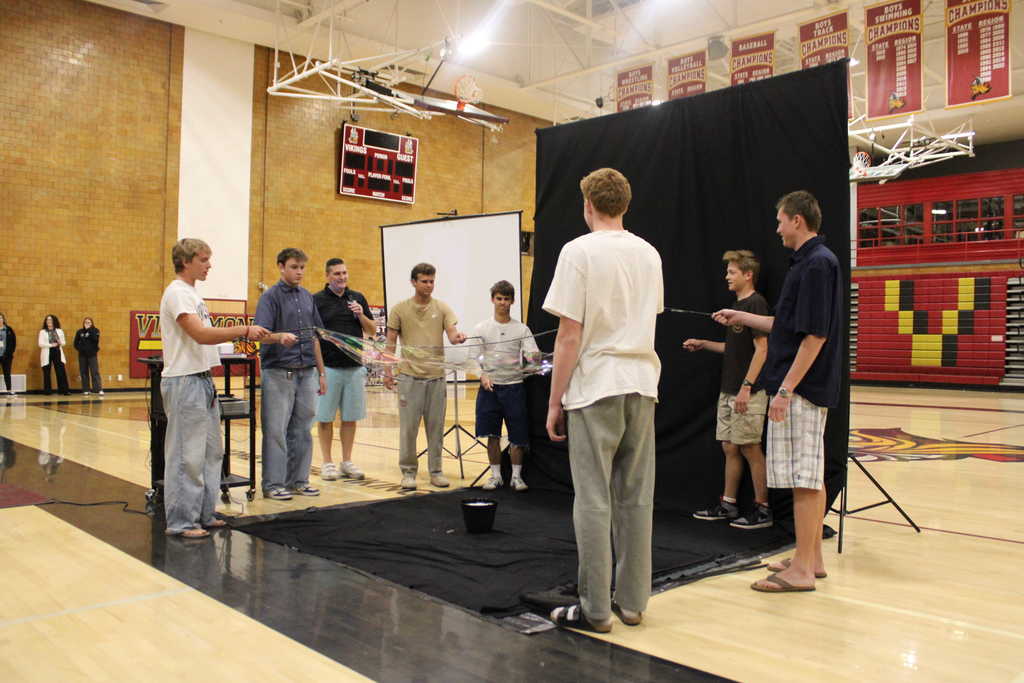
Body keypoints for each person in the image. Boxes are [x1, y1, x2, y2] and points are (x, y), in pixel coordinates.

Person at [544, 168, 663, 632]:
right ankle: (632, 603)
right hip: (642, 384)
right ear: (625, 205)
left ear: (588, 205)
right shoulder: (649, 253)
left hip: (596, 386)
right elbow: (646, 316)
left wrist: (555, 401)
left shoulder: (578, 251)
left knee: (593, 500)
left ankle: (594, 609)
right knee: (636, 497)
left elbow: (569, 334)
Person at [713, 190, 843, 593]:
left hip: (802, 390)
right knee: (810, 475)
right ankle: (812, 558)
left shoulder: (818, 264)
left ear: (798, 221)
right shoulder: (807, 263)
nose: (778, 228)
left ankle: (802, 571)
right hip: (800, 387)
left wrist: (785, 389)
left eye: (781, 221)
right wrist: (742, 315)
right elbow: (787, 327)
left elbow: (815, 336)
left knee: (804, 479)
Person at [159, 238, 268, 538]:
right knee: (186, 455)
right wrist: (244, 329)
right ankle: (181, 521)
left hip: (203, 379)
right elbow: (200, 334)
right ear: (187, 261)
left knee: (210, 453)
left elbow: (209, 339)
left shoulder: (192, 294)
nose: (209, 265)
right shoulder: (177, 293)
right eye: (204, 260)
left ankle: (203, 513)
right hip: (184, 381)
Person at [685, 250, 771, 529]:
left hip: (748, 391)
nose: (727, 276)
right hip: (728, 389)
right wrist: (703, 343)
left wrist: (747, 388)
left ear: (748, 275)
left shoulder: (756, 304)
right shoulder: (736, 306)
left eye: (732, 272)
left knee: (750, 447)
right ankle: (728, 504)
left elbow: (762, 350)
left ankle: (762, 509)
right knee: (730, 447)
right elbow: (733, 349)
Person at [383, 263, 467, 490]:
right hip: (409, 378)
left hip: (436, 378)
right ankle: (408, 472)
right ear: (413, 282)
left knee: (436, 428)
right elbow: (390, 344)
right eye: (424, 281)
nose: (429, 285)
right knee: (408, 428)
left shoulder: (442, 308)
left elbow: (451, 333)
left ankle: (436, 471)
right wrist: (387, 371)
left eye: (432, 281)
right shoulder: (399, 309)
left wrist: (457, 337)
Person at [255, 247, 327, 501]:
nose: (299, 272)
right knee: (276, 430)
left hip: (307, 371)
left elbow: (315, 336)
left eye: (302, 268)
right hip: (278, 373)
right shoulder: (269, 298)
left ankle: (298, 480)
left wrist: (321, 372)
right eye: (294, 267)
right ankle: (273, 484)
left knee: (303, 429)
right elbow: (260, 335)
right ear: (281, 267)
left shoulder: (308, 297)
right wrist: (279, 337)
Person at [313, 257, 376, 482]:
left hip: (355, 367)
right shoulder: (317, 300)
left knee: (350, 417)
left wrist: (360, 314)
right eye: (337, 274)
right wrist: (319, 371)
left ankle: (347, 461)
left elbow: (372, 330)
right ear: (328, 276)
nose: (342, 277)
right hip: (329, 368)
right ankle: (327, 462)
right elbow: (314, 336)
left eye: (344, 273)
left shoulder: (357, 298)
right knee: (325, 417)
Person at [473, 280, 538, 492]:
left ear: (512, 301)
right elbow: (473, 358)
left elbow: (534, 357)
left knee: (517, 435)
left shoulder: (521, 329)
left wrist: (532, 360)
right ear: (493, 300)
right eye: (499, 298)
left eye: (506, 299)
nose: (503, 303)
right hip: (490, 390)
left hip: (514, 388)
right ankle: (495, 476)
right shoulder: (481, 328)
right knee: (491, 434)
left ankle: (516, 477)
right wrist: (482, 375)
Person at [38, 315, 70, 395]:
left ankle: (64, 390)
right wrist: (51, 345)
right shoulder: (42, 331)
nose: (49, 321)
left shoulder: (59, 331)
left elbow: (64, 343)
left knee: (60, 371)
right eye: (47, 320)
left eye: (50, 320)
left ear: (54, 321)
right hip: (47, 352)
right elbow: (40, 344)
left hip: (57, 351)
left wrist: (60, 343)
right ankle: (47, 391)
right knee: (47, 371)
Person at [74, 317, 103, 396]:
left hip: (92, 355)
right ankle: (86, 389)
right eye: (86, 322)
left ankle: (98, 389)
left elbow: (95, 339)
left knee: (94, 371)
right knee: (83, 372)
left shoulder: (95, 331)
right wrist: (80, 349)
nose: (87, 323)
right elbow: (75, 343)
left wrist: (89, 329)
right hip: (82, 355)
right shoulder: (80, 332)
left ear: (92, 323)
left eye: (89, 322)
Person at [0, 313, 17, 395]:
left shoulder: (9, 329)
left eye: (1, 318)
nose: (0, 320)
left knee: (7, 373)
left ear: (3, 319)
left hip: (7, 356)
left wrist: (10, 353)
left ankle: (9, 390)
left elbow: (14, 342)